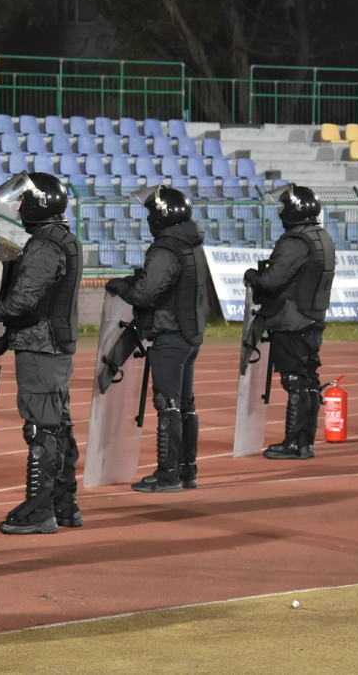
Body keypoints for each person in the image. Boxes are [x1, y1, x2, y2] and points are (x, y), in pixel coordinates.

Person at [0, 171, 84, 534]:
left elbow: (24, 302)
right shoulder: (64, 240)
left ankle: (39, 509)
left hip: (41, 348)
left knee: (41, 428)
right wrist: (2, 342)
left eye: (21, 200)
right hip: (51, 344)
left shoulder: (46, 246)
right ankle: (64, 504)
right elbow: (40, 304)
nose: (16, 206)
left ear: (37, 204)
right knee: (57, 424)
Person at [106, 185, 207, 492]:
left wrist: (121, 286)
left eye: (151, 212)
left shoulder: (166, 248)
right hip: (190, 333)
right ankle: (187, 469)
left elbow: (146, 293)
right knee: (185, 405)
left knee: (168, 405)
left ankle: (168, 473)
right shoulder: (192, 244)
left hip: (170, 332)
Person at [244, 183, 335, 460]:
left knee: (295, 380)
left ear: (294, 211)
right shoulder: (322, 236)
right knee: (307, 379)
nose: (281, 212)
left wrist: (252, 275)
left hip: (291, 319)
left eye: (284, 207)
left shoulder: (295, 241)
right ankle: (305, 442)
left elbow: (273, 279)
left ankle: (294, 443)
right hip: (313, 317)